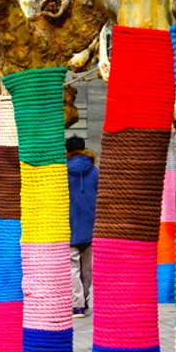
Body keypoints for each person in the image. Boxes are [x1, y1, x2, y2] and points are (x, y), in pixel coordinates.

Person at [67, 136, 98, 317]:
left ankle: (77, 304)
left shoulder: (62, 172)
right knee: (87, 268)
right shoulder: (95, 172)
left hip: (69, 226)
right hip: (90, 226)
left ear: (67, 152)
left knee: (73, 267)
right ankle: (84, 300)